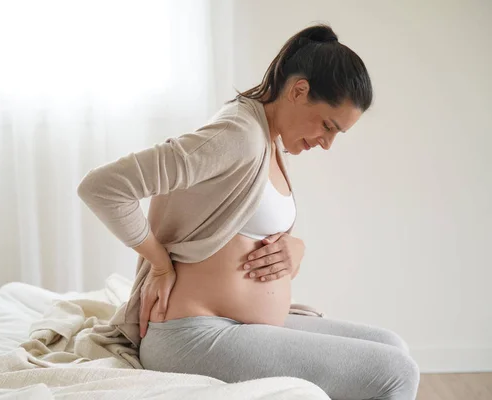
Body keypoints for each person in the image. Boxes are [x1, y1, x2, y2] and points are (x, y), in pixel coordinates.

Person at [78, 24, 420, 400]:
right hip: (193, 335)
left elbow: (242, 225)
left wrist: (294, 248)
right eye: (327, 126)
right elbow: (103, 187)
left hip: (235, 326)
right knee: (395, 373)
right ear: (299, 90)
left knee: (392, 345)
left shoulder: (267, 137)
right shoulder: (236, 135)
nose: (327, 144)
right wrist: (158, 264)